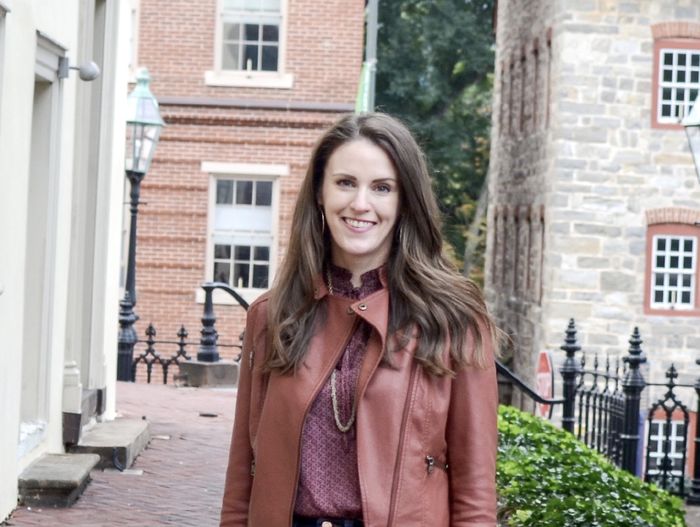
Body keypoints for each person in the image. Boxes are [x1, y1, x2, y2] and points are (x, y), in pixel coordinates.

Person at [220, 113, 498, 527]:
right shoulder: (271, 315)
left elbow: (475, 496)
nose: (360, 204)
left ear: (405, 201)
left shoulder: (454, 319)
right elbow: (243, 473)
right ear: (320, 192)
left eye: (382, 188)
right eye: (345, 182)